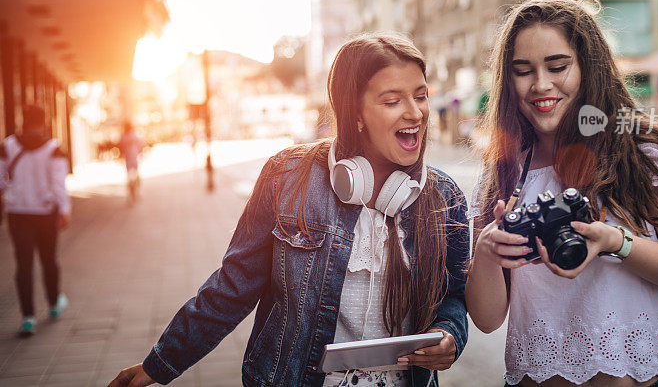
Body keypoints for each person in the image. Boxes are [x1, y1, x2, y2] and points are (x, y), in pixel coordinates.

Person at [108, 34, 470, 387]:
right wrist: (162, 362)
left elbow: (453, 295)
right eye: (392, 101)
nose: (416, 112)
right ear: (355, 113)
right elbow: (233, 286)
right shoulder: (288, 177)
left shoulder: (445, 197)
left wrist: (449, 335)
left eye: (421, 96)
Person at [465, 0, 658, 387]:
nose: (541, 85)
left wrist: (615, 243)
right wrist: (487, 253)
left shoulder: (645, 150)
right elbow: (487, 320)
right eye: (523, 71)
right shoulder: (503, 172)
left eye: (558, 66)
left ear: (589, 68)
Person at [0, 105, 70, 337]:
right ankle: (52, 305)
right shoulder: (54, 148)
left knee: (24, 264)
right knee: (49, 259)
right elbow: (59, 183)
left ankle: (28, 318)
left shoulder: (8, 145)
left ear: (23, 120)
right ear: (44, 121)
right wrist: (65, 210)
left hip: (18, 213)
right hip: (45, 213)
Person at [117, 121, 142, 202]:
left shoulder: (123, 137)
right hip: (134, 158)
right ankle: (136, 191)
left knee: (129, 177)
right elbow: (140, 144)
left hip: (128, 159)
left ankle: (131, 192)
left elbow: (120, 147)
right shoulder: (135, 135)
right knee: (136, 175)